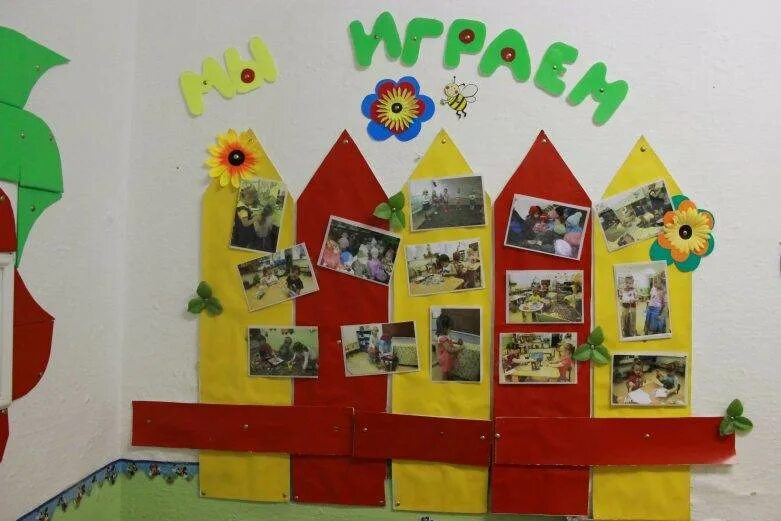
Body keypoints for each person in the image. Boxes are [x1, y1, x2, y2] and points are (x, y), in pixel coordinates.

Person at [435, 313, 464, 381]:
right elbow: (449, 349)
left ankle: (450, 377)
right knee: (445, 372)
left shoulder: (445, 336)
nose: (450, 329)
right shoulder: (442, 338)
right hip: (445, 359)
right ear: (444, 328)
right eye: (449, 328)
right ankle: (444, 382)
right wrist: (459, 348)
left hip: (448, 358)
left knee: (449, 369)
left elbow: (450, 341)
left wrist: (457, 342)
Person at [232, 185, 261, 249]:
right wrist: (255, 218)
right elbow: (245, 224)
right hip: (243, 234)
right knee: (243, 246)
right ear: (248, 198)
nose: (252, 203)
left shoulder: (240, 204)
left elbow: (243, 217)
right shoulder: (243, 209)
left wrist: (251, 216)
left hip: (239, 231)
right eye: (253, 200)